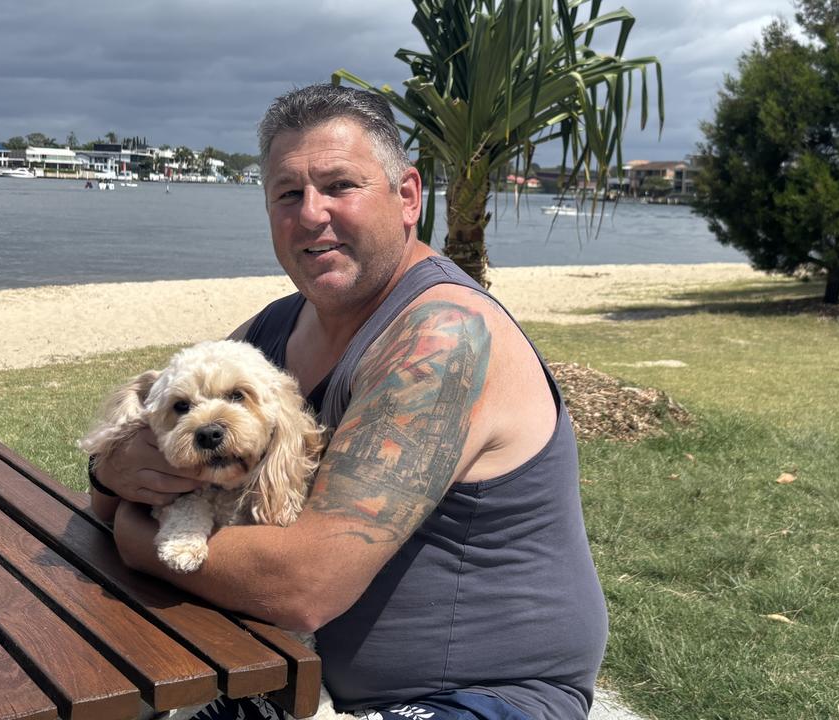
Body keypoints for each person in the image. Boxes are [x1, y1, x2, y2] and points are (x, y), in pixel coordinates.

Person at [89, 84, 607, 720]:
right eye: (288, 193)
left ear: (409, 196)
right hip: (288, 671)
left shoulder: (441, 338)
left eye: (341, 186)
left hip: (478, 697)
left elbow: (305, 585)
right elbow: (137, 463)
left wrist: (132, 534)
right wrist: (107, 473)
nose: (311, 214)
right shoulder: (274, 330)